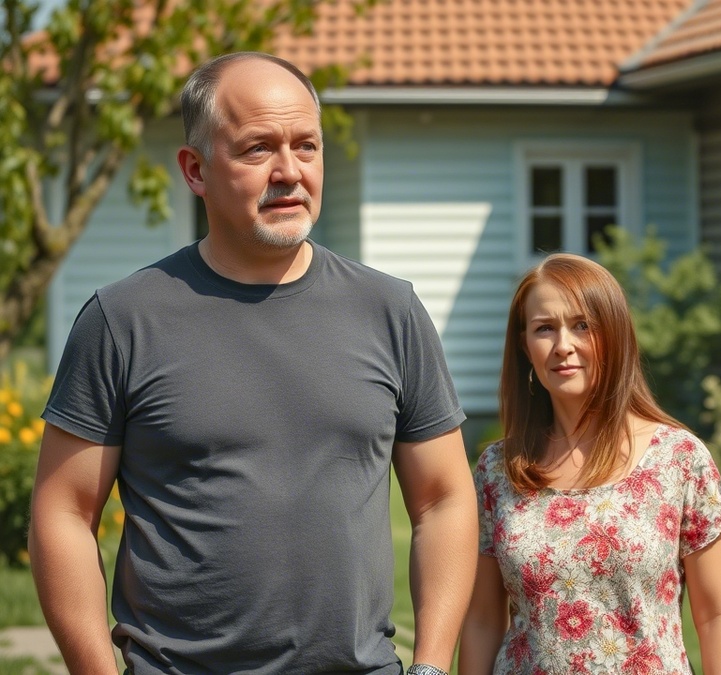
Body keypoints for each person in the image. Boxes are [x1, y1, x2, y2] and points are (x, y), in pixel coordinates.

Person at [28, 52, 477, 675]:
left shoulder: (390, 311)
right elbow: (63, 513)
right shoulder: (122, 320)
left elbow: (443, 500)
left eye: (307, 146)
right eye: (257, 148)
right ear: (195, 170)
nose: (289, 172)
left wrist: (429, 666)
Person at [458, 253, 721, 675]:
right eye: (544, 328)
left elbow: (717, 616)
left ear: (614, 336)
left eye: (582, 325)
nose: (563, 345)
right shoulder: (498, 469)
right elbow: (482, 620)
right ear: (525, 347)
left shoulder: (680, 459)